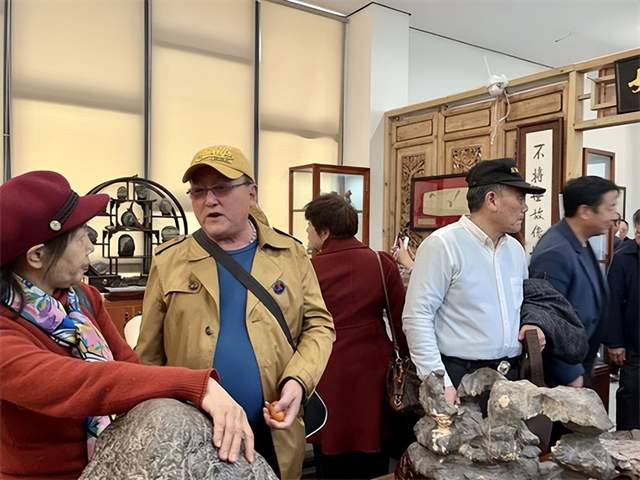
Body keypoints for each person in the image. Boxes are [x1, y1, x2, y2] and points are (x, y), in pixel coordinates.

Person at [0, 171, 254, 479]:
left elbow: (128, 365)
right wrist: (195, 385)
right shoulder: (6, 331)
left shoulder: (82, 299)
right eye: (80, 238)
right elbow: (80, 383)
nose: (90, 247)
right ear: (38, 255)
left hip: (116, 463)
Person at [135, 145, 335, 480]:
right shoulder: (169, 261)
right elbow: (148, 358)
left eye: (222, 188)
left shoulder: (290, 255)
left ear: (251, 194)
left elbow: (319, 326)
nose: (210, 200)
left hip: (273, 427)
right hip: (194, 435)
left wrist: (298, 381)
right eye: (199, 191)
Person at [402, 158, 546, 406]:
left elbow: (522, 303)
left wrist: (532, 323)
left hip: (510, 376)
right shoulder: (443, 245)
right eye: (520, 199)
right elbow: (417, 316)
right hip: (461, 378)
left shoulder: (515, 250)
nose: (525, 208)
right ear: (492, 200)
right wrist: (439, 382)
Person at [304, 194, 408, 479]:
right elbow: (401, 320)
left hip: (326, 364)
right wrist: (405, 357)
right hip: (373, 366)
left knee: (329, 448)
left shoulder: (309, 269)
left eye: (309, 225)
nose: (307, 231)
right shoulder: (380, 262)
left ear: (324, 230)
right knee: (372, 447)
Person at [529, 176, 618, 388]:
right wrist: (571, 375)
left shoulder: (580, 242)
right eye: (610, 208)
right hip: (563, 378)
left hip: (582, 363)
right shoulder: (555, 252)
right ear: (585, 211)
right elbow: (548, 318)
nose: (614, 216)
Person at [604, 208, 639, 430]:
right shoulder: (624, 258)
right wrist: (615, 342)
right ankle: (626, 441)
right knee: (631, 396)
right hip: (634, 344)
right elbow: (613, 302)